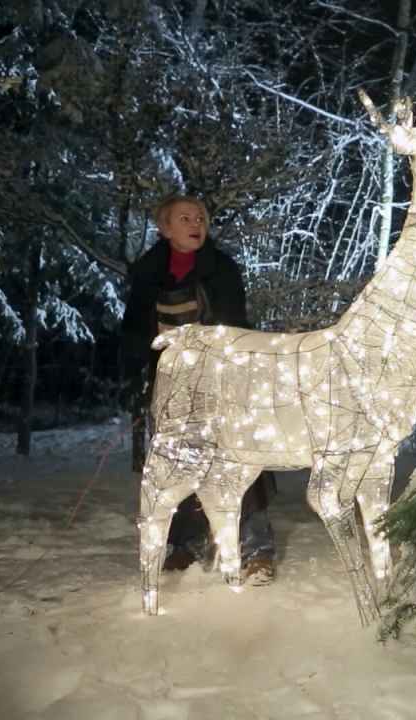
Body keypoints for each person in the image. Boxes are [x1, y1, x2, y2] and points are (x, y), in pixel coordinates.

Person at [120, 194, 277, 585]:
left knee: (237, 461)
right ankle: (187, 545)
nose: (196, 224)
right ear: (165, 228)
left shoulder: (221, 270)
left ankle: (256, 550)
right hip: (170, 384)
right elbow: (133, 333)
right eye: (186, 218)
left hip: (220, 379)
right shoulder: (146, 273)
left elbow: (236, 326)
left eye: (201, 218)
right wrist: (140, 367)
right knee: (179, 462)